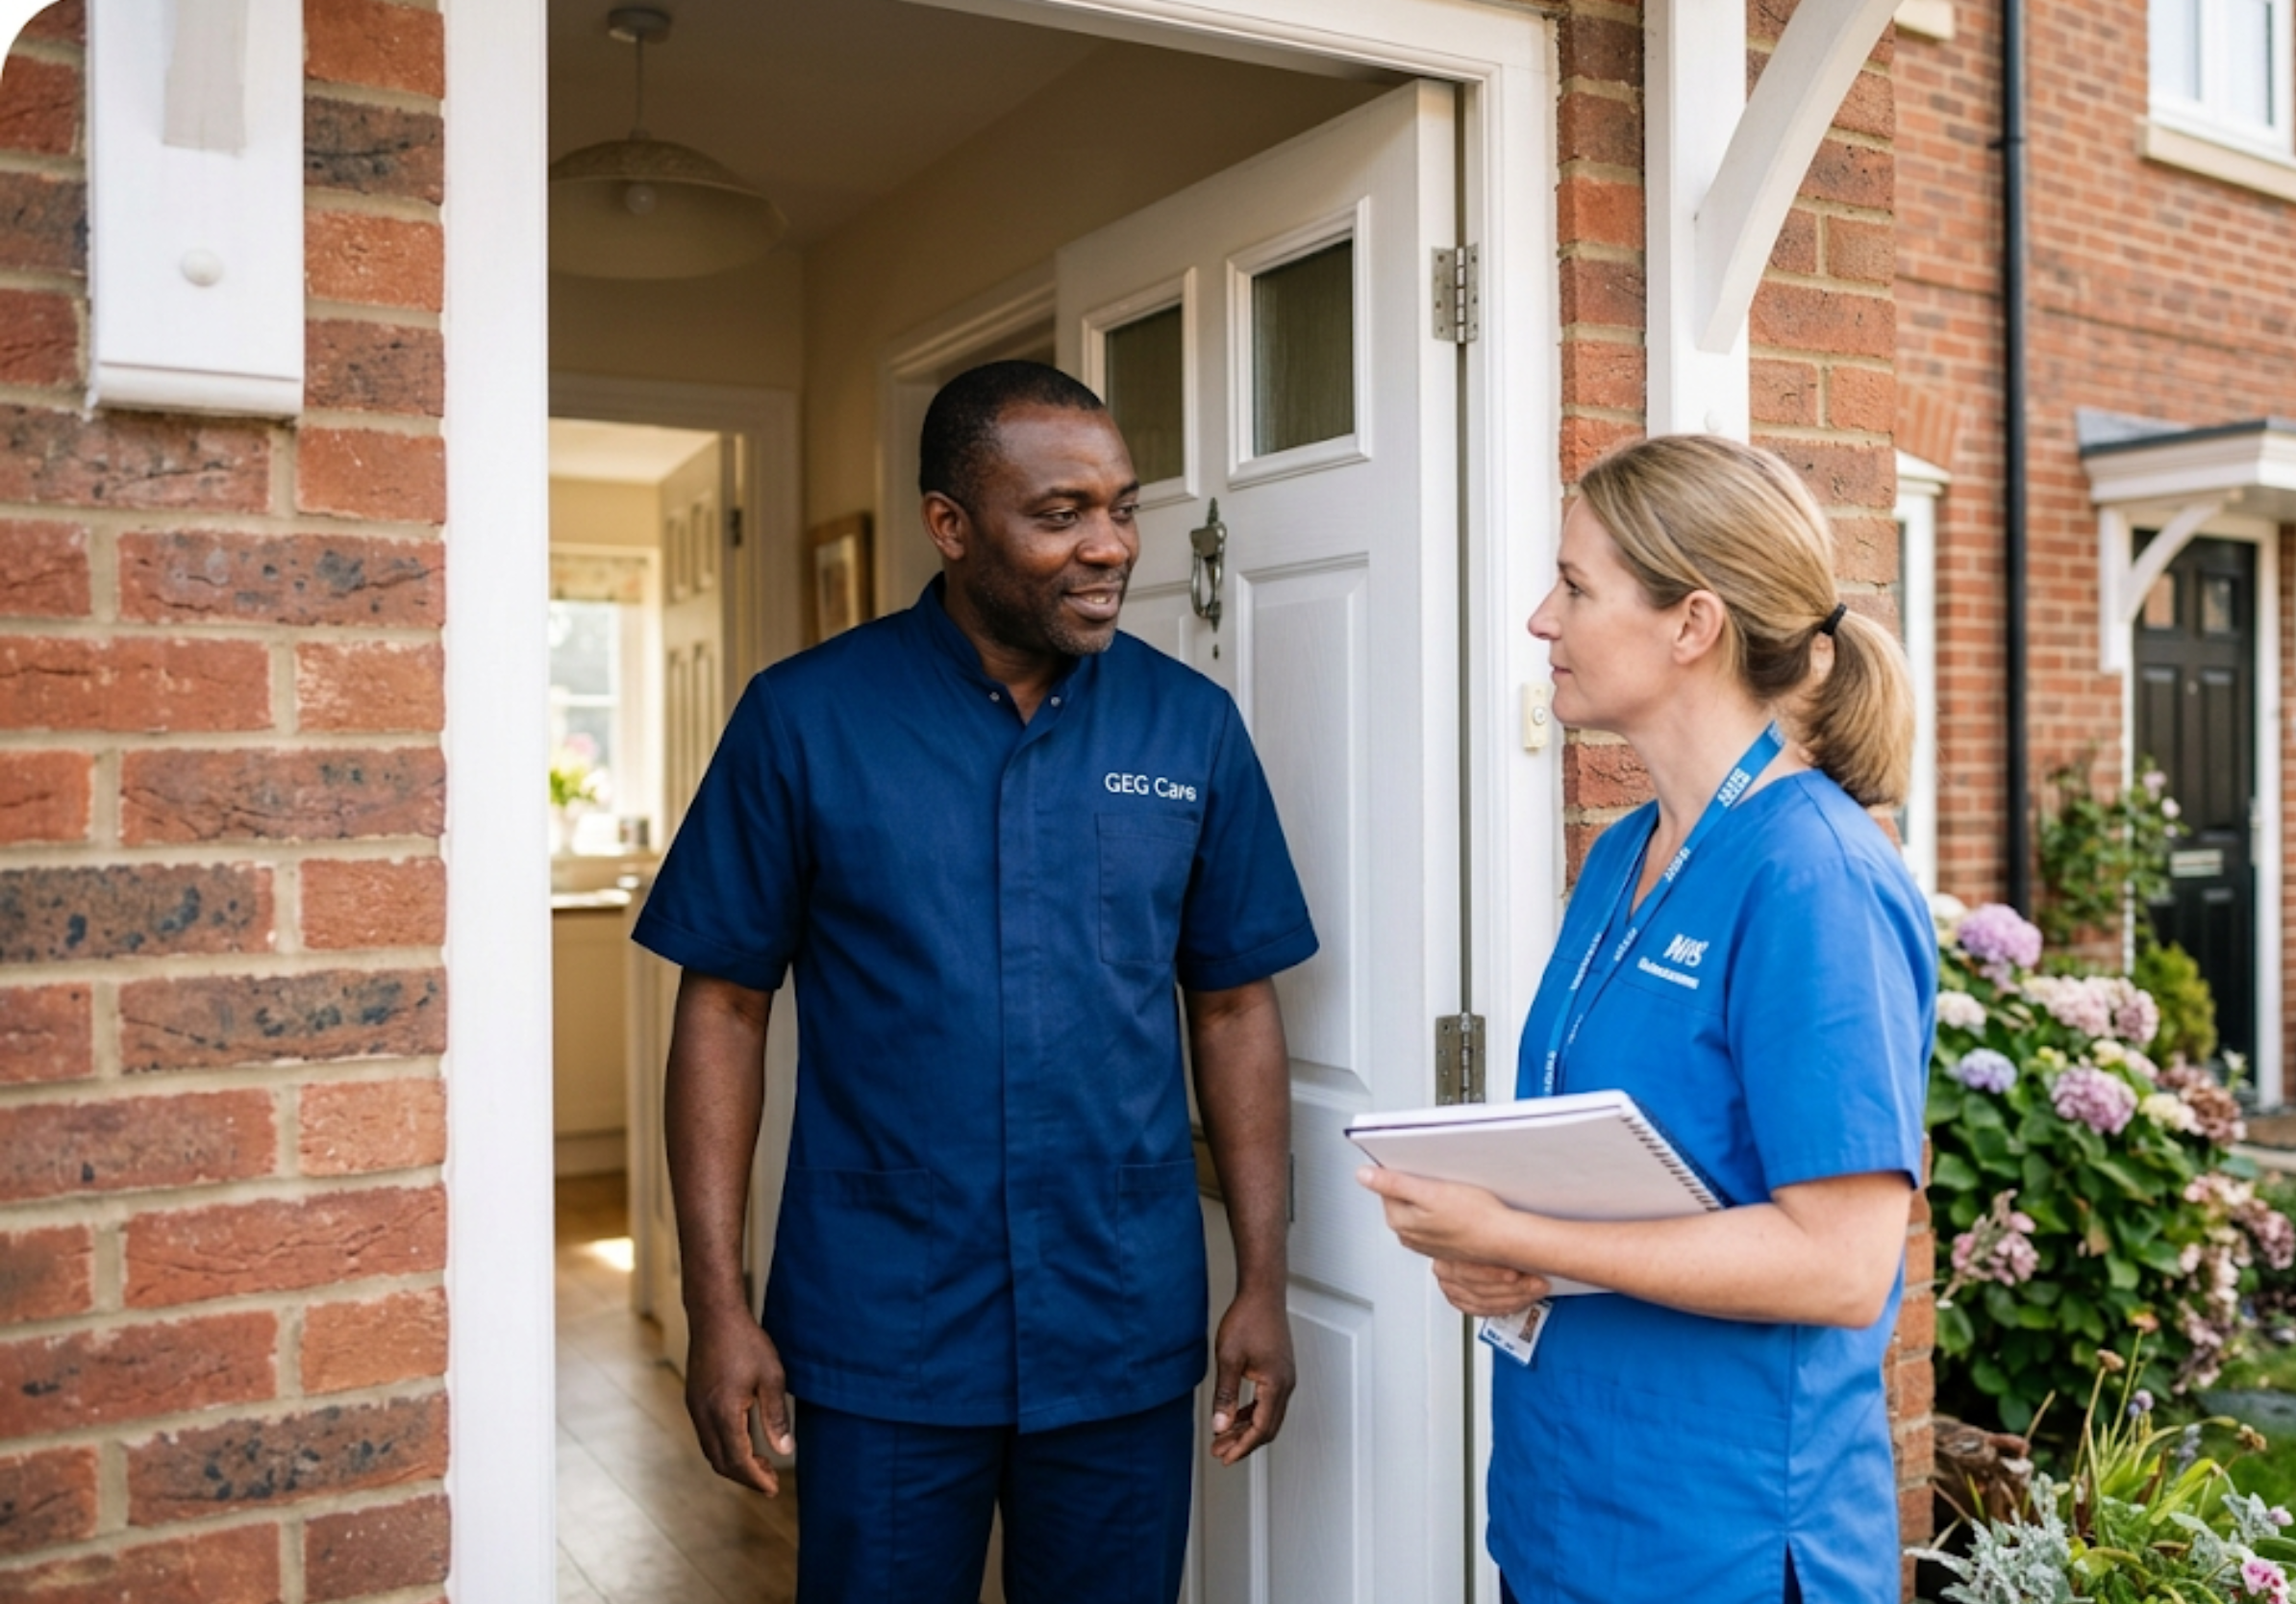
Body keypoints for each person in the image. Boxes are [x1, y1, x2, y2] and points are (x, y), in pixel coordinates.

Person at [632, 360, 1318, 1604]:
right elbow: (724, 1005)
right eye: (1060, 515)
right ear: (950, 526)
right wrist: (714, 1305)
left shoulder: (1190, 728)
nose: (1109, 545)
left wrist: (1263, 1281)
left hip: (1121, 1317)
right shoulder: (803, 720)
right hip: (880, 1324)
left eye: (1121, 506)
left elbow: (1233, 1003)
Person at [1360, 434, 1935, 1603]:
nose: (1539, 619)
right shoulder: (1627, 853)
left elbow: (1840, 1263)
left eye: (1575, 586)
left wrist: (1523, 1239)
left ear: (1693, 625)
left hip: (1722, 1544)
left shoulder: (1813, 875)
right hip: (1568, 1517)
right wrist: (1496, 1251)